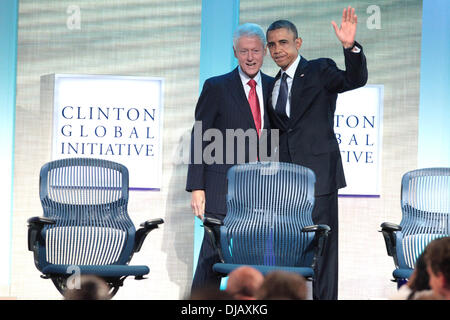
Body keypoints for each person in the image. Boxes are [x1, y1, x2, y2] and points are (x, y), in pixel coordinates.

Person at [266, 6, 368, 300]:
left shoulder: (320, 69)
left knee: (324, 251)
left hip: (320, 178)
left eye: (283, 42)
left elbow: (354, 79)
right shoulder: (272, 85)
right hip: (285, 183)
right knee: (288, 249)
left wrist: (350, 47)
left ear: (298, 44)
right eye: (272, 44)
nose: (277, 50)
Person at [186, 23, 275, 293]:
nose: (250, 57)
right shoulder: (216, 86)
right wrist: (197, 186)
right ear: (235, 52)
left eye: (256, 51)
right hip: (221, 186)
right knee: (212, 257)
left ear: (265, 52)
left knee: (257, 258)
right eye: (244, 51)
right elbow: (200, 135)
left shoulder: (276, 86)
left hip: (263, 187)